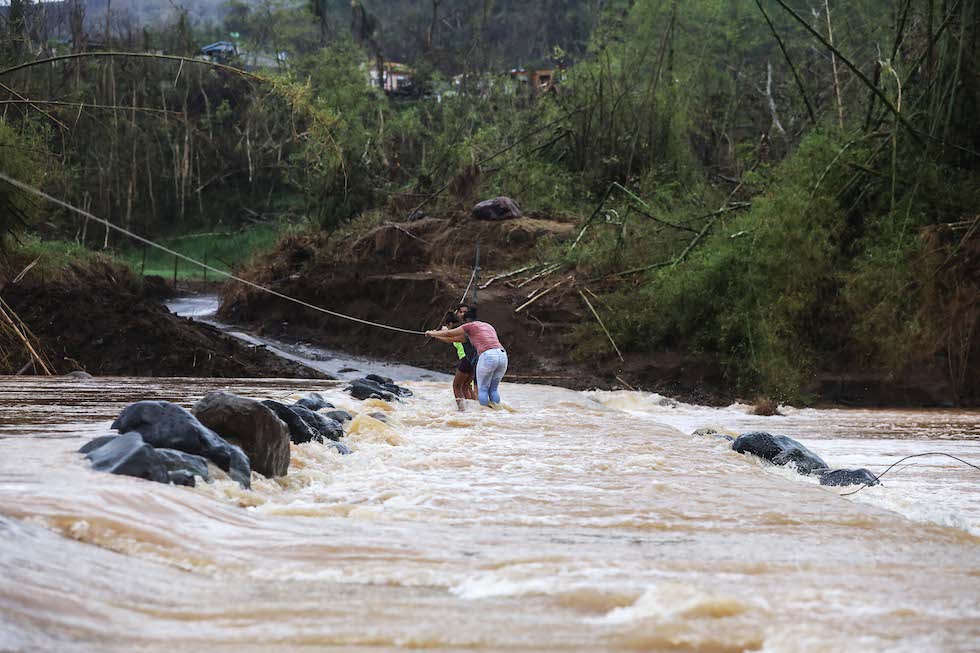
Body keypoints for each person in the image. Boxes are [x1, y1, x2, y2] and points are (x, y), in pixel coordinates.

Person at [426, 306, 507, 407]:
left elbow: (448, 334)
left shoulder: (469, 328)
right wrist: (437, 334)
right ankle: (497, 412)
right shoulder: (487, 326)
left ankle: (480, 413)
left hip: (486, 357)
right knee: (493, 390)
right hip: (502, 354)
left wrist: (432, 333)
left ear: (467, 320)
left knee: (480, 390)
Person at [441, 312, 478, 409]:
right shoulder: (465, 330)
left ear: (449, 324)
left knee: (457, 386)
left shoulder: (457, 333)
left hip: (465, 360)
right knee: (466, 387)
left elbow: (449, 338)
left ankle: (462, 410)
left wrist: (434, 334)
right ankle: (474, 409)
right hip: (473, 361)